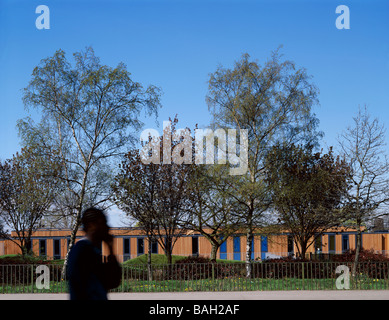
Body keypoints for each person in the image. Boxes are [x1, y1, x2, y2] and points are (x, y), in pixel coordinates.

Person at [67, 207, 122, 300]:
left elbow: (113, 282)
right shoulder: (82, 249)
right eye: (102, 223)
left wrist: (110, 249)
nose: (107, 227)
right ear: (91, 225)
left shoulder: (92, 250)